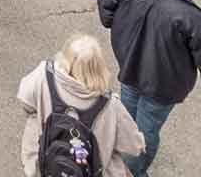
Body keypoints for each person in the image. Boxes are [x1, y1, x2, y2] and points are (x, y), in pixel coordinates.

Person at [98, 0, 201, 177]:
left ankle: (118, 154)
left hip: (130, 65)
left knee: (127, 115)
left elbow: (106, 5)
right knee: (147, 131)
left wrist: (115, 26)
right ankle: (131, 171)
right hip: (163, 86)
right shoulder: (191, 17)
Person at [16, 34, 144, 177]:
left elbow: (26, 103)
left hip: (44, 163)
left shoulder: (42, 76)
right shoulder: (110, 106)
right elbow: (134, 145)